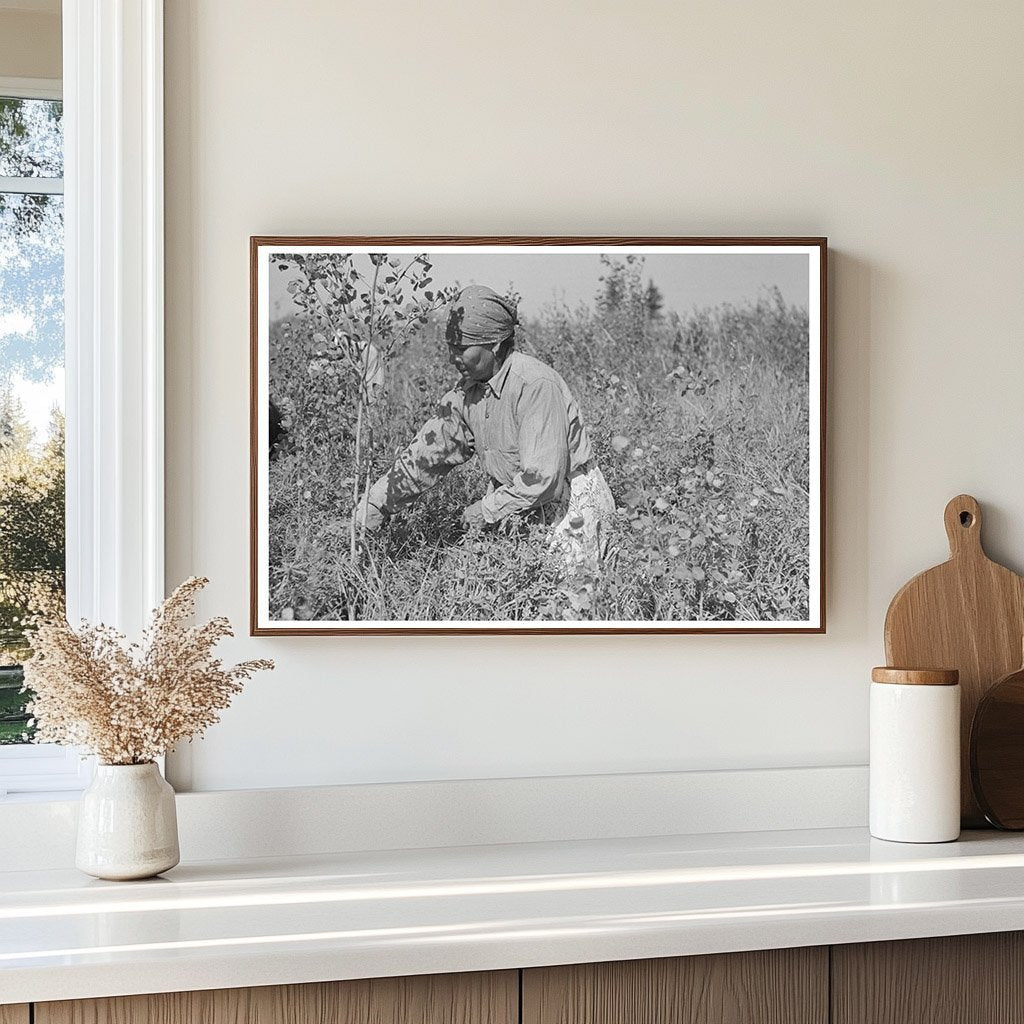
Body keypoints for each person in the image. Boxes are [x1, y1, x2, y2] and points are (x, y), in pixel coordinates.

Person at [356, 284, 614, 568]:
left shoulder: (535, 385)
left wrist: (486, 509)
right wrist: (373, 506)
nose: (454, 358)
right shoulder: (466, 395)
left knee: (571, 602)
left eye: (462, 349)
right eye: (451, 348)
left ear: (494, 344)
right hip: (517, 502)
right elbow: (423, 458)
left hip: (569, 502)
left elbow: (544, 479)